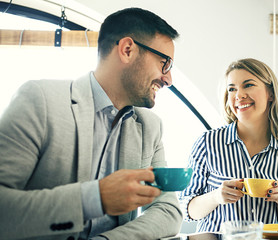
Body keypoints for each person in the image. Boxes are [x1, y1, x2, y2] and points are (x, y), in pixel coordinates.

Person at [0, 7, 182, 240]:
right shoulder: (40, 100)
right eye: (164, 63)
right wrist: (95, 198)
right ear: (127, 50)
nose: (168, 79)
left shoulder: (150, 127)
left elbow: (168, 210)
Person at [179, 58, 278, 232]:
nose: (238, 95)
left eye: (248, 85)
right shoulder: (207, 143)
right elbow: (185, 209)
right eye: (232, 89)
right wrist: (216, 196)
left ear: (270, 93)